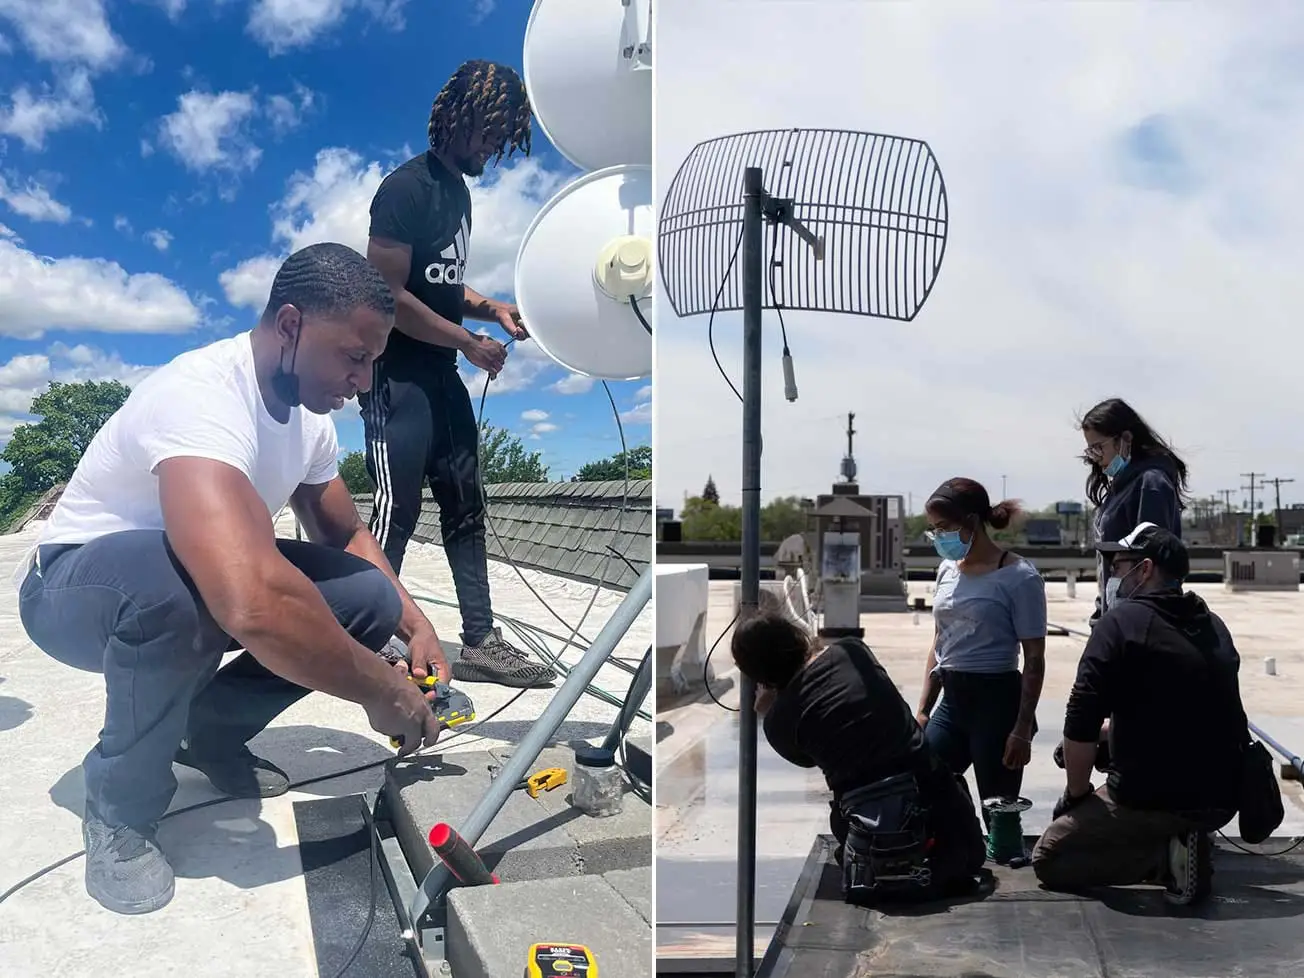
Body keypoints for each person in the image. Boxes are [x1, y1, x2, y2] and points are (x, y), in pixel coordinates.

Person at [16, 244, 453, 917]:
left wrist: (414, 623)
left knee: (365, 598)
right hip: (72, 590)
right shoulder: (201, 395)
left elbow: (343, 537)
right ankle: (120, 808)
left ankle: (209, 733)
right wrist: (378, 687)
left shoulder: (309, 417)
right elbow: (248, 603)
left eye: (373, 361)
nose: (363, 381)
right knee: (185, 589)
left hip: (184, 581)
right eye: (353, 357)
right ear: (289, 325)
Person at [361, 59, 555, 690]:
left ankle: (480, 641)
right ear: (458, 118)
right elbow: (386, 293)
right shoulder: (406, 189)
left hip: (442, 371)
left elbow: (440, 284)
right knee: (397, 508)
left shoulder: (460, 194)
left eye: (502, 139)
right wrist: (470, 342)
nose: (493, 148)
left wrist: (489, 307)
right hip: (396, 373)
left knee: (466, 503)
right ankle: (368, 635)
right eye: (488, 134)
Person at [1031, 523, 1246, 906]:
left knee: (1051, 857)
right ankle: (1183, 837)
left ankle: (1164, 858)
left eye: (1118, 565)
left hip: (1154, 793)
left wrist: (1078, 794)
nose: (1113, 574)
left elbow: (1079, 718)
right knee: (1092, 752)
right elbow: (1184, 711)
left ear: (1144, 569)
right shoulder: (1212, 624)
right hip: (1223, 794)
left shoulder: (1122, 623)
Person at [737, 607, 987, 903]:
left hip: (870, 838)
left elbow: (806, 758)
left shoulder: (778, 724)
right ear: (795, 635)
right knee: (970, 855)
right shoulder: (852, 652)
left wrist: (773, 709)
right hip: (941, 811)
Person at [915, 478, 1048, 867]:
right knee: (925, 783)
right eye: (934, 529)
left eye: (944, 528)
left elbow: (1034, 660)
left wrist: (1022, 728)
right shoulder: (946, 571)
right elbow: (939, 642)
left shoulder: (1019, 577)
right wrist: (924, 708)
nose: (938, 536)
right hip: (953, 702)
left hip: (997, 701)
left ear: (971, 522)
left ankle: (1009, 900)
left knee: (1000, 815)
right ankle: (960, 854)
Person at [1079, 398, 1188, 623]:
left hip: (1138, 624)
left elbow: (1153, 571)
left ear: (1126, 439)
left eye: (1099, 447)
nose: (1095, 457)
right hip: (1118, 618)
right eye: (1091, 450)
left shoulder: (1150, 484)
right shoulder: (1120, 488)